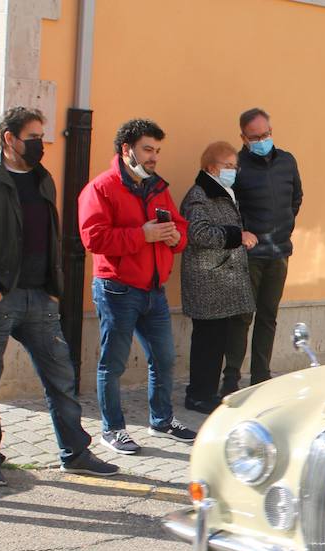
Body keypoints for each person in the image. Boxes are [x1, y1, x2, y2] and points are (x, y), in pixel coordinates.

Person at [0, 106, 118, 485]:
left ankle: (75, 452)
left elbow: (50, 236)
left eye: (44, 136)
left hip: (40, 298)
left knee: (61, 376)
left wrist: (52, 289)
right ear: (9, 139)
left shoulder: (44, 179)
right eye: (33, 137)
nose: (42, 144)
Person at [78, 118, 195, 455]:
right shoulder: (100, 188)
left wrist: (176, 237)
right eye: (147, 149)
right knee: (112, 364)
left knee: (164, 359)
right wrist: (140, 235)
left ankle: (162, 421)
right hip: (117, 289)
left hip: (154, 290)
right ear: (126, 150)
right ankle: (112, 429)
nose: (153, 157)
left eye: (157, 150)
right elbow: (93, 238)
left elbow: (180, 228)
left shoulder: (158, 187)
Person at [180, 141, 258, 412]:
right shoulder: (200, 195)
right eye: (228, 166)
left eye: (235, 166)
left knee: (216, 342)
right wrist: (238, 236)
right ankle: (198, 394)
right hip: (208, 282)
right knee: (207, 342)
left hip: (221, 283)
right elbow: (198, 233)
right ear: (211, 167)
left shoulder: (223, 192)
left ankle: (207, 391)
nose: (233, 171)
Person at [233, 107, 303, 387]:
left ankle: (261, 377)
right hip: (250, 256)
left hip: (279, 253)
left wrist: (284, 227)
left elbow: (296, 198)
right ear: (243, 137)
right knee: (241, 318)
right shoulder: (236, 165)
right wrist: (243, 232)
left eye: (266, 134)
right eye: (255, 136)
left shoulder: (287, 161)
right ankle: (231, 379)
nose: (262, 140)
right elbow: (230, 206)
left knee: (268, 317)